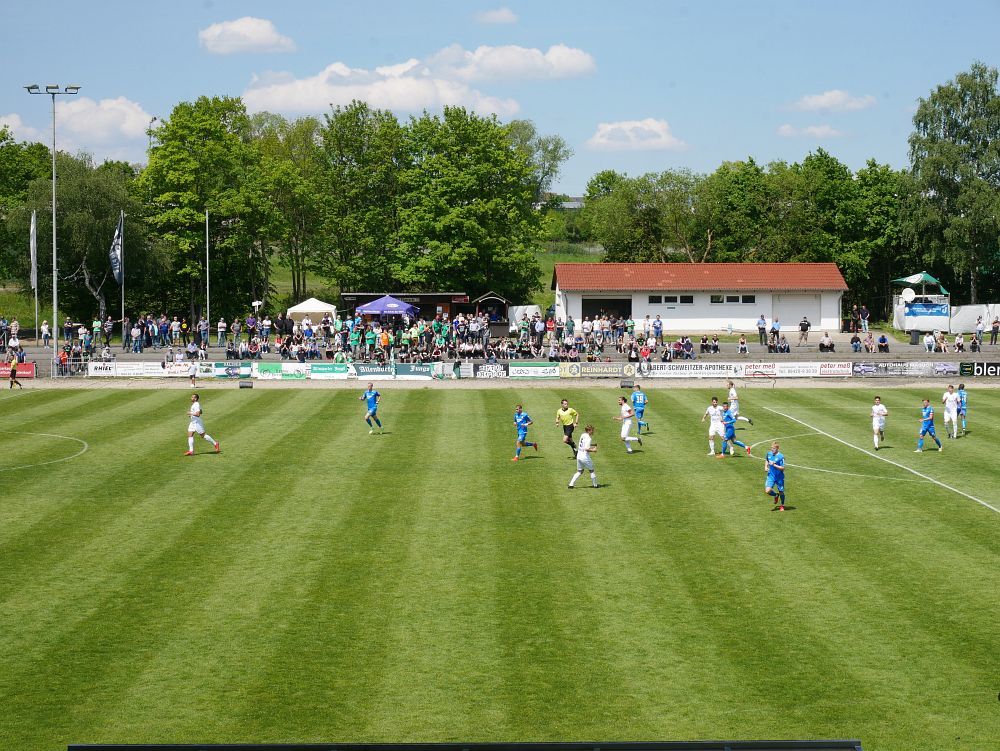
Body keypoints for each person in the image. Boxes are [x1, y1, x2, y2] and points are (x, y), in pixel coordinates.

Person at [568, 425, 599, 489]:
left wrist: (593, 444)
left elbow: (583, 444)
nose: (593, 431)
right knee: (591, 470)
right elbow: (586, 448)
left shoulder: (583, 435)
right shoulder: (589, 438)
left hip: (579, 456)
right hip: (585, 457)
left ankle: (571, 484)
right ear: (589, 430)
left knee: (580, 471)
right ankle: (595, 485)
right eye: (592, 430)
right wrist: (593, 450)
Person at [764, 442, 787, 511]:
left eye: (773, 448)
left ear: (777, 449)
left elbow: (783, 468)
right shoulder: (769, 454)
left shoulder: (781, 457)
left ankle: (782, 505)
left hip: (779, 477)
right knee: (767, 491)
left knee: (781, 492)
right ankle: (775, 495)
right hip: (771, 475)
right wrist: (765, 467)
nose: (772, 450)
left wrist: (774, 465)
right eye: (771, 448)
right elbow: (767, 460)